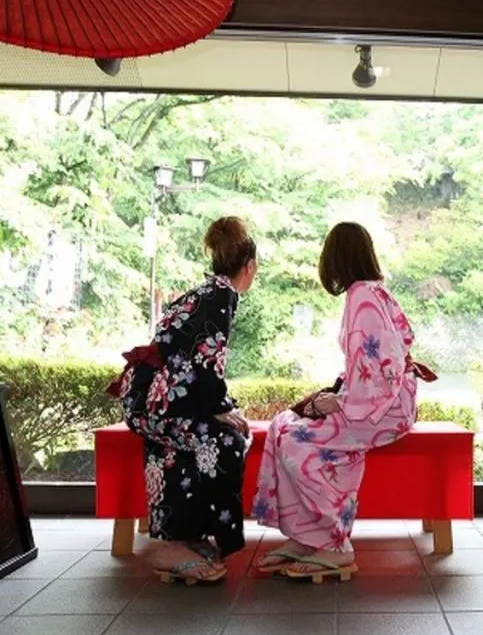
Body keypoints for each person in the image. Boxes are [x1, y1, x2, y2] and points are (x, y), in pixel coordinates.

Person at [252, 222, 427, 580]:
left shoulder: (364, 297)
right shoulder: (369, 292)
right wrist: (340, 396)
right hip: (378, 401)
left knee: (296, 441)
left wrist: (343, 403)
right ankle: (306, 536)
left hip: (381, 408)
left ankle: (334, 545)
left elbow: (383, 368)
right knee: (284, 424)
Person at [109, 216, 256, 583]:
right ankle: (173, 545)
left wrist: (223, 406)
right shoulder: (222, 297)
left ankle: (183, 538)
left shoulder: (205, 292)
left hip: (149, 399)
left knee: (194, 440)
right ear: (249, 266)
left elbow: (195, 365)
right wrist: (223, 410)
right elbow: (207, 366)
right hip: (160, 404)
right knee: (225, 440)